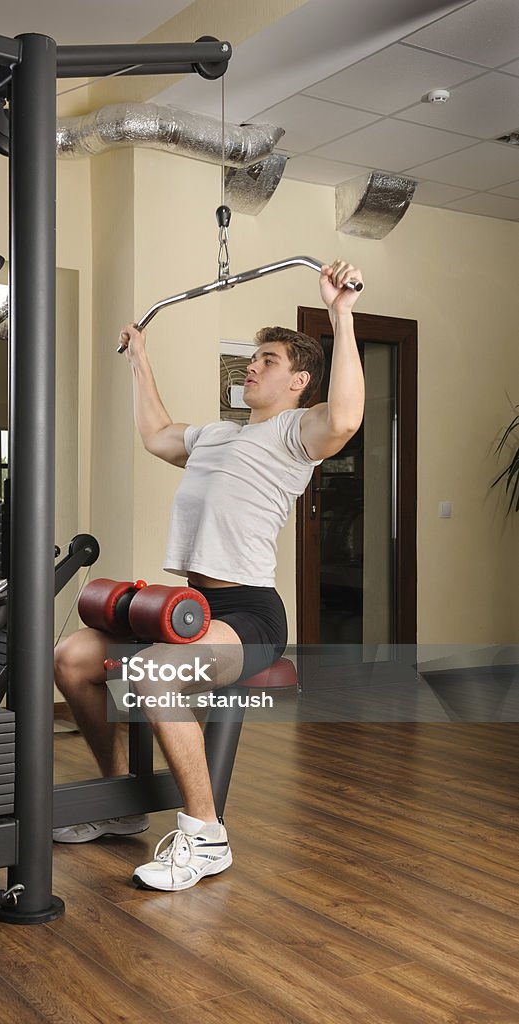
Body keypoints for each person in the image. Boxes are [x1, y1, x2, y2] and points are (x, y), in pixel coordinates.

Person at [53, 259, 365, 890]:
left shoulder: (294, 435)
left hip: (249, 614)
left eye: (268, 360)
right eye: (254, 357)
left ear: (298, 380)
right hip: (193, 605)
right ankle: (122, 800)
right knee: (72, 659)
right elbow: (157, 435)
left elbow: (346, 418)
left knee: (152, 674)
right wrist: (139, 356)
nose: (253, 365)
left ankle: (205, 834)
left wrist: (341, 314)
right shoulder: (218, 435)